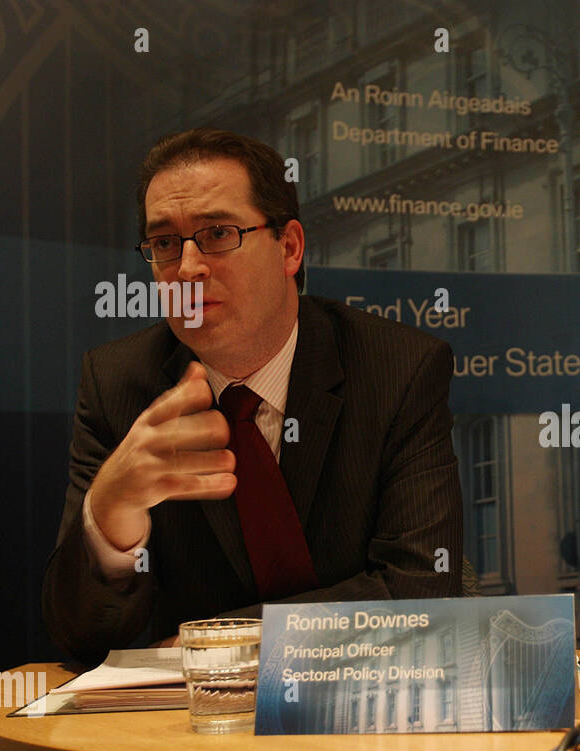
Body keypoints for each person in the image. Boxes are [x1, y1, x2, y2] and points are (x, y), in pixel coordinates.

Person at [43, 128, 463, 665]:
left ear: (288, 248)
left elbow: (421, 592)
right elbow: (79, 638)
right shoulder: (118, 384)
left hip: (365, 715)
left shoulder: (397, 369)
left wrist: (224, 639)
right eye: (166, 243)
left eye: (217, 233)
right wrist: (108, 521)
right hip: (194, 732)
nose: (188, 269)